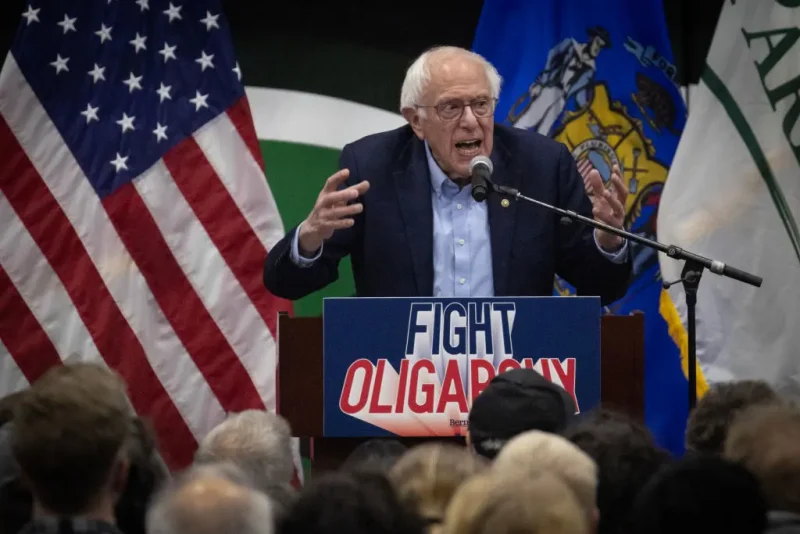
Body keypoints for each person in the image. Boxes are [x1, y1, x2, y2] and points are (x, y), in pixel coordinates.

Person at [263, 46, 631, 303]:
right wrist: (310, 238)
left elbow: (601, 286)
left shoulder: (542, 165)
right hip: (404, 376)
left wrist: (608, 241)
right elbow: (287, 285)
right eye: (451, 107)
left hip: (516, 377)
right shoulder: (372, 166)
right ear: (416, 120)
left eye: (481, 105)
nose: (471, 121)